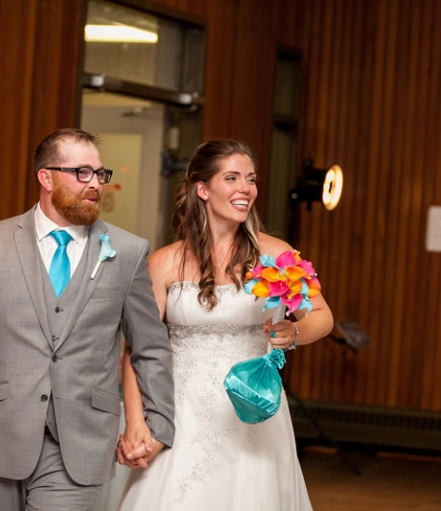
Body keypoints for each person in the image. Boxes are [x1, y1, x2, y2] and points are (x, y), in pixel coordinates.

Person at [0, 128, 174, 510]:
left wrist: (158, 424)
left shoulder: (128, 252)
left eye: (100, 174)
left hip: (80, 442)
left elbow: (150, 347)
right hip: (0, 437)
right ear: (45, 177)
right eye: (82, 173)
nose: (95, 184)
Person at [116, 138, 334, 510]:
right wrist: (136, 420)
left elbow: (322, 316)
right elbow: (137, 349)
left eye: (250, 179)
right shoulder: (165, 262)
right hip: (181, 412)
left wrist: (295, 331)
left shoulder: (277, 254)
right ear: (203, 189)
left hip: (252, 409)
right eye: (232, 178)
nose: (245, 189)